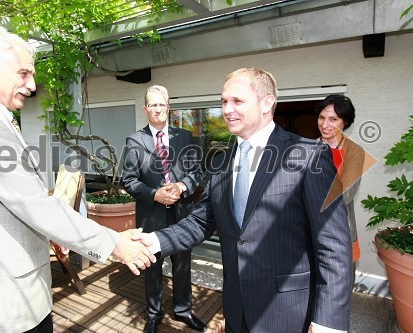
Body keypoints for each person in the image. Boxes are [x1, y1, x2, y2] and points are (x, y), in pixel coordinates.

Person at [0, 26, 155, 333]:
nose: (31, 85)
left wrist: (53, 233)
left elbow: (11, 207)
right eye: (24, 73)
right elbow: (36, 206)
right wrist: (113, 243)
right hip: (8, 304)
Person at [135, 67, 352, 333]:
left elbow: (333, 247)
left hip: (287, 313)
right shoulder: (221, 161)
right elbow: (200, 222)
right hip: (237, 308)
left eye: (237, 101)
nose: (227, 109)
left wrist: (328, 322)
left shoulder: (310, 156)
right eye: (224, 101)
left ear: (267, 103)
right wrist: (154, 240)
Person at [121, 85, 205, 333]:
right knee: (152, 264)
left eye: (162, 104)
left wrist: (182, 186)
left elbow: (196, 171)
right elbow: (129, 180)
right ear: (146, 109)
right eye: (153, 105)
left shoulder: (185, 137)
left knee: (182, 263)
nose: (158, 109)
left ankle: (183, 310)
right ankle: (154, 314)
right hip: (152, 213)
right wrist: (154, 194)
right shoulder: (135, 140)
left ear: (168, 107)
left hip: (182, 212)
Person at [316, 94, 364, 284]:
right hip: (307, 231)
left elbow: (345, 195)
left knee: (339, 288)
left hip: (339, 231)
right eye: (321, 117)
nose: (325, 124)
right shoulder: (306, 148)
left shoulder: (355, 152)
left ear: (346, 121)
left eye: (333, 119)